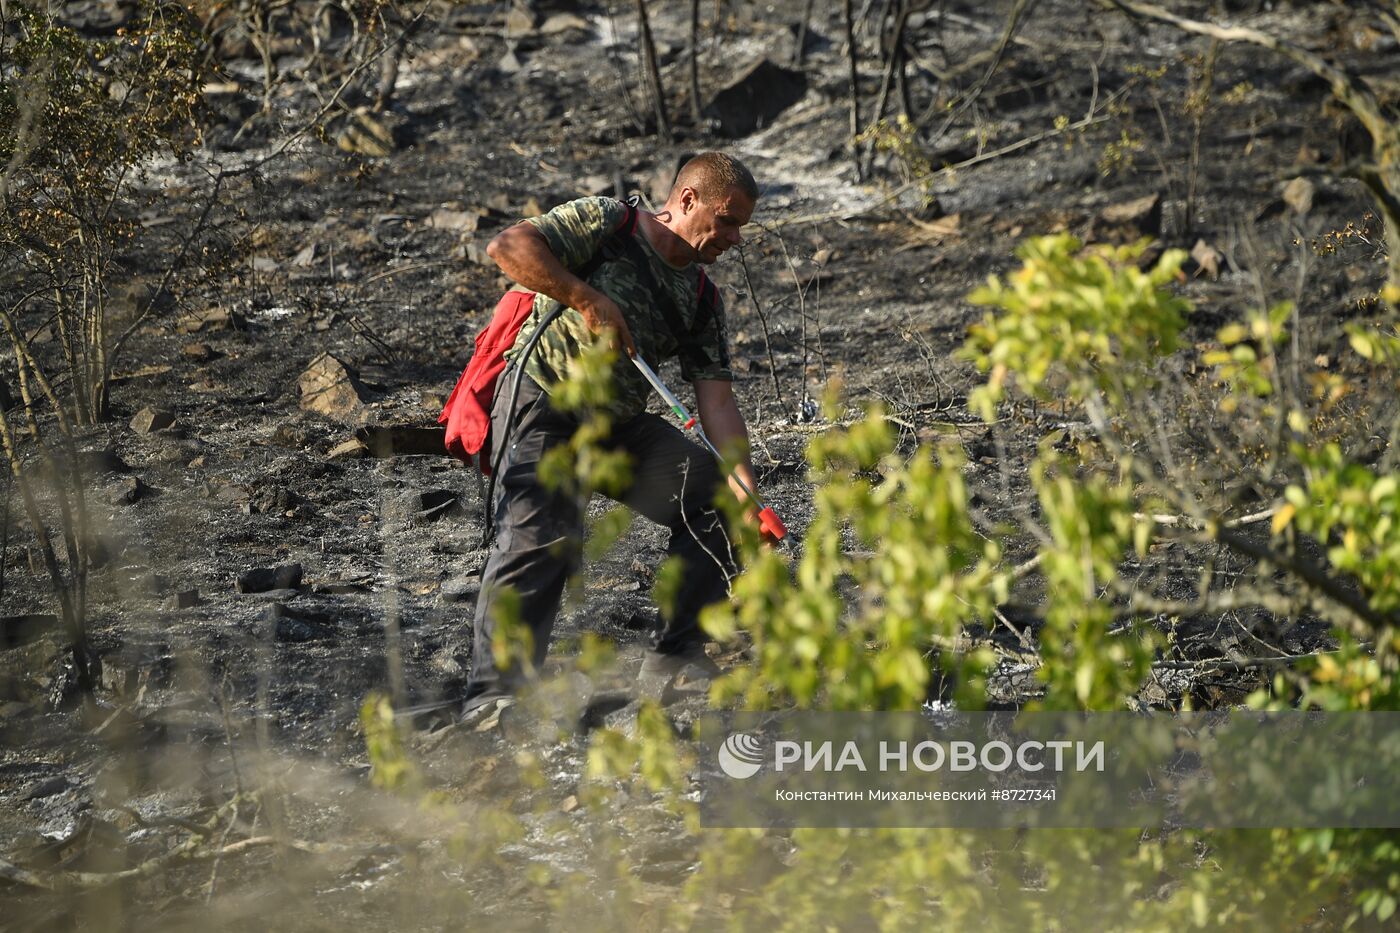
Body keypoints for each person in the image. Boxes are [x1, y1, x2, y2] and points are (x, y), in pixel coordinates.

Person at [459, 152, 762, 725]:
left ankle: (677, 663)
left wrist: (747, 491)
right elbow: (507, 248)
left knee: (714, 498)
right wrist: (585, 297)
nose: (734, 238)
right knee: (541, 541)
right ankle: (494, 699)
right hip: (542, 399)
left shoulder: (702, 299)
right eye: (727, 220)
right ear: (688, 200)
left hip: (618, 426)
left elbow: (716, 400)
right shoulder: (606, 224)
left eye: (741, 226)